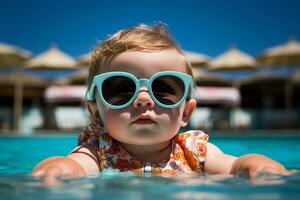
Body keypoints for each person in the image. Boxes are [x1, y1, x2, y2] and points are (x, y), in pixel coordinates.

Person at [32, 23, 293, 184]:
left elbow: (235, 165)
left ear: (186, 112)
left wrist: (256, 165)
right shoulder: (97, 152)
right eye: (121, 89)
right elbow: (74, 166)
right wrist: (56, 168)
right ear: (96, 111)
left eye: (164, 88)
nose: (143, 99)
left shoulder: (194, 153)